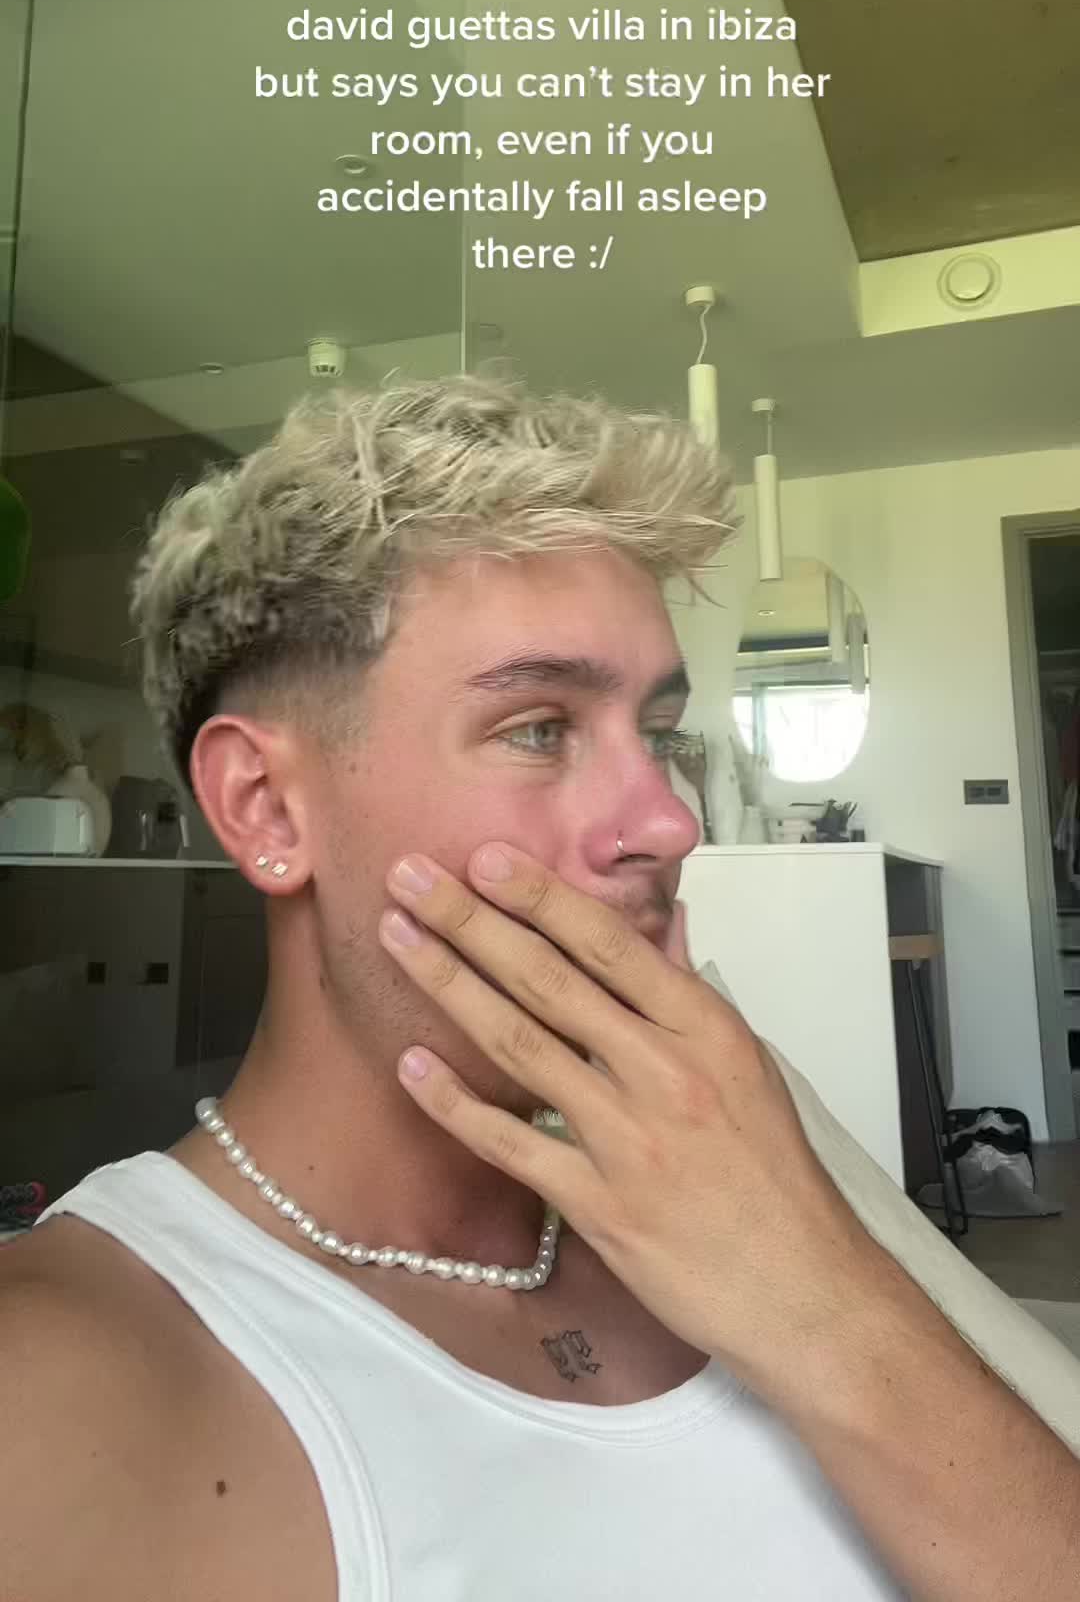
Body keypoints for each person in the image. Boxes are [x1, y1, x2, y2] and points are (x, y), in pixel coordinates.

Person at [2, 374, 1078, 1602]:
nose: (669, 822)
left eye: (657, 734)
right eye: (538, 729)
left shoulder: (740, 1170)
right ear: (266, 808)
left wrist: (826, 1299)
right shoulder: (66, 1388)